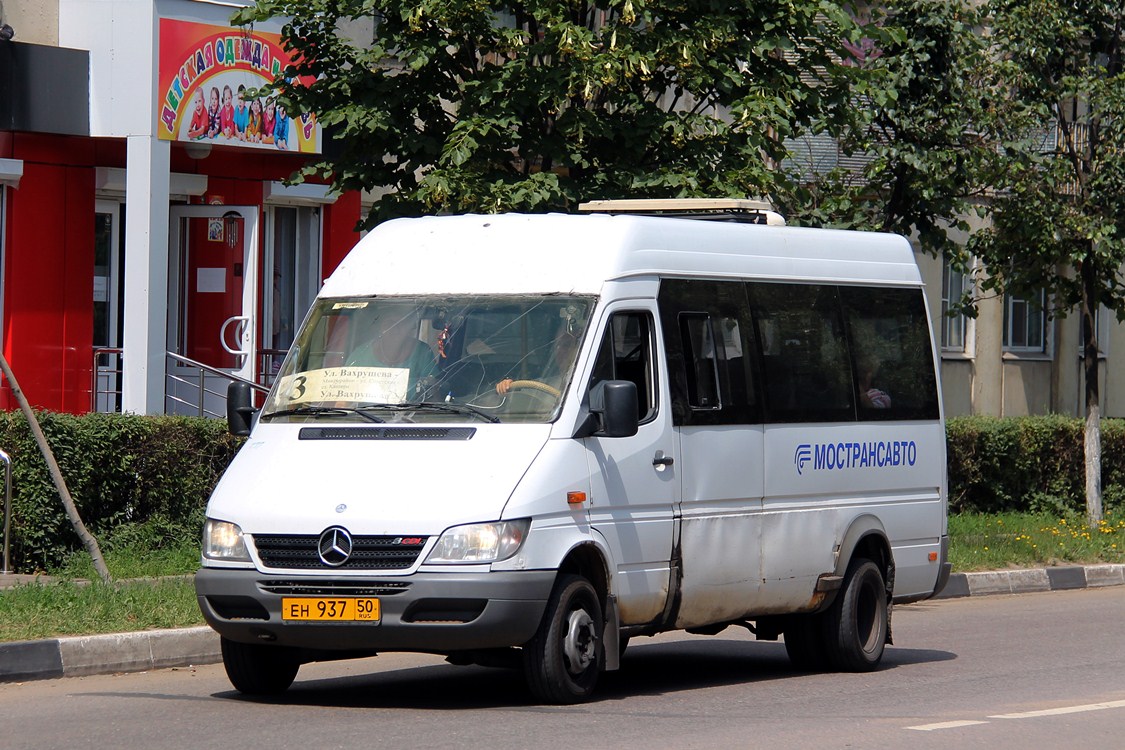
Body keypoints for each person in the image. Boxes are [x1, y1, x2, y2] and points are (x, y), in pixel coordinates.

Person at [347, 305, 438, 398]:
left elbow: (434, 391)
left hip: (413, 412)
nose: (395, 328)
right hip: (363, 412)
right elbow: (346, 393)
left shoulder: (422, 351)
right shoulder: (360, 355)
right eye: (389, 324)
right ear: (380, 328)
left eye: (402, 323)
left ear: (409, 328)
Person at [496, 325, 580, 396]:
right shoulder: (545, 385)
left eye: (567, 345)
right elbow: (525, 394)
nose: (560, 351)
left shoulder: (587, 389)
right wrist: (506, 386)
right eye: (557, 345)